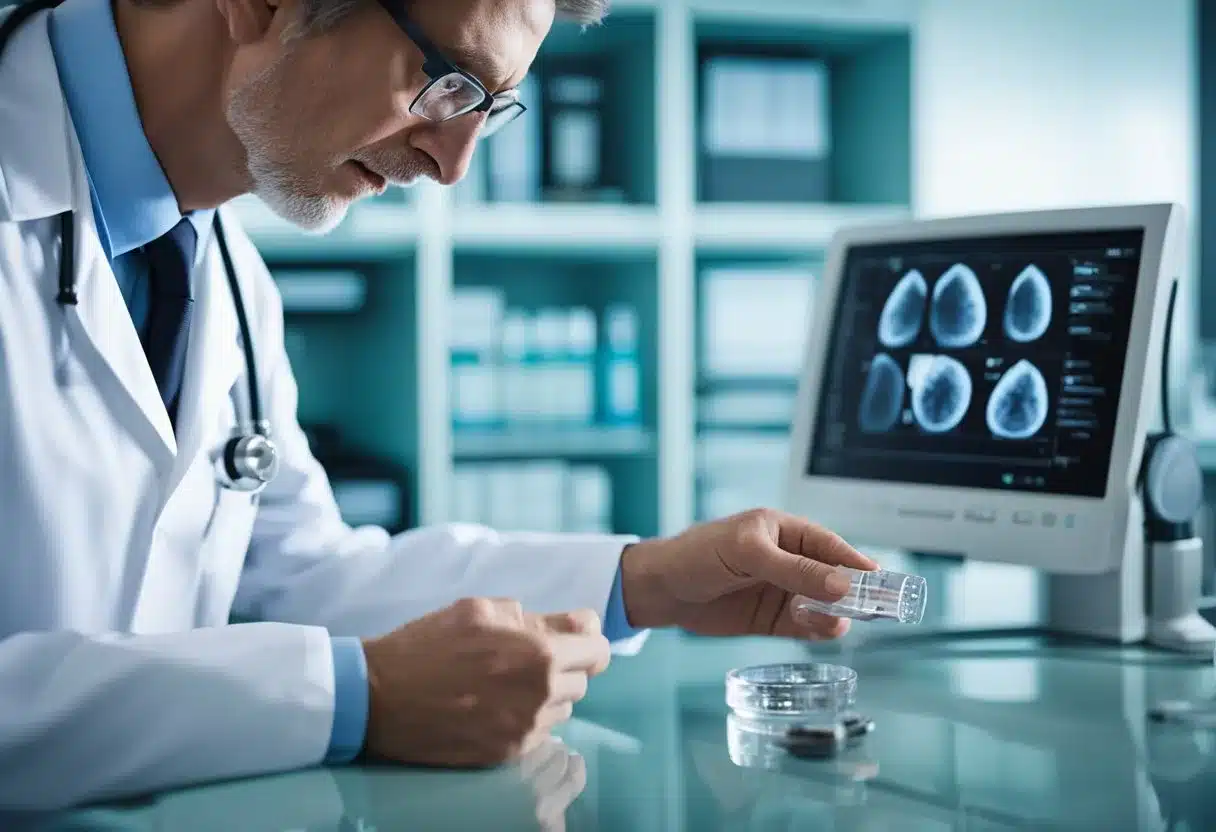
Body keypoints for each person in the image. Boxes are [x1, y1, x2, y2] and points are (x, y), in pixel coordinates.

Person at [0, 0, 876, 812]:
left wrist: (646, 581)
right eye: (446, 81)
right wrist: (355, 700)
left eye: (488, 109)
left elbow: (299, 581)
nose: (451, 164)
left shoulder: (224, 273)